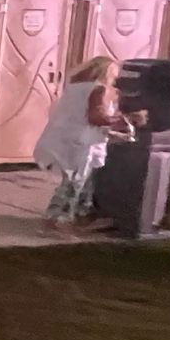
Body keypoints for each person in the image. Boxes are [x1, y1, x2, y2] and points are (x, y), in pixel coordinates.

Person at [34, 55, 139, 233]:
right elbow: (95, 118)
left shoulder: (75, 88)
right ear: (106, 72)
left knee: (79, 183)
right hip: (80, 145)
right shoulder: (98, 89)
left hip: (65, 139)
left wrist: (112, 131)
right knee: (74, 184)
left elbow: (81, 117)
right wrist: (123, 120)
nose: (115, 78)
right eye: (113, 73)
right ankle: (56, 222)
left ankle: (76, 217)